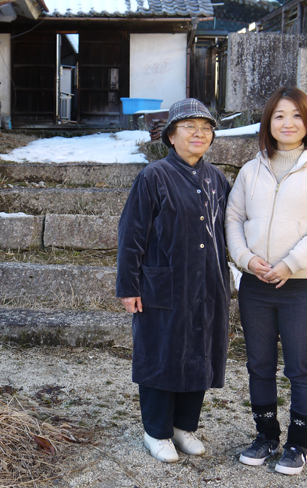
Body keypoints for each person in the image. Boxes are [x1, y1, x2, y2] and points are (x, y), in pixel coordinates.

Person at [225, 86, 307, 475]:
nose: (287, 123)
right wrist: (244, 259)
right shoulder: (250, 169)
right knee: (259, 364)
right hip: (256, 284)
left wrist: (291, 264)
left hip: (302, 286)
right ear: (268, 123)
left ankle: (297, 444)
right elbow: (233, 219)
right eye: (279, 116)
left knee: (300, 368)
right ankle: (266, 436)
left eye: (296, 115)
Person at [116, 98, 231, 463]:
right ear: (170, 136)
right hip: (162, 284)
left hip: (208, 283)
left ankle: (184, 426)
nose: (199, 134)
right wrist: (129, 285)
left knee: (201, 352)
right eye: (189, 127)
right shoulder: (154, 176)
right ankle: (156, 432)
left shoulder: (217, 180)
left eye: (206, 128)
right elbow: (132, 234)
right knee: (161, 353)